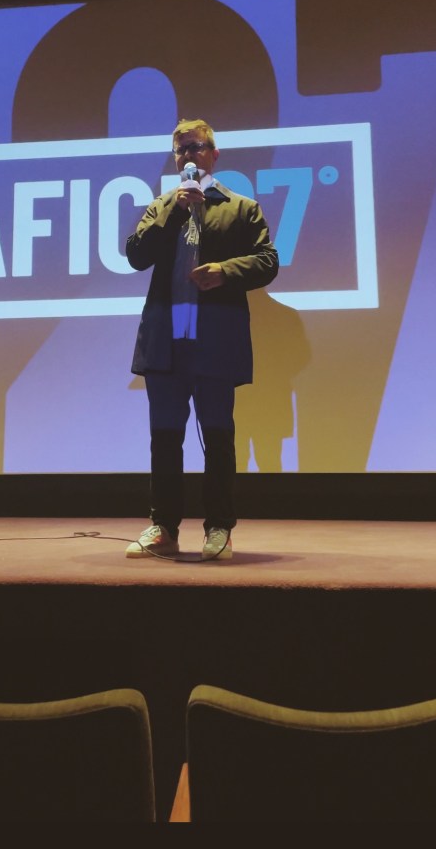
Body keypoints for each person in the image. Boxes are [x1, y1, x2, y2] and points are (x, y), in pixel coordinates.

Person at [125, 118, 279, 560]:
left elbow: (268, 261)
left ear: (214, 153)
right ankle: (163, 528)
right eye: (181, 150)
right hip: (166, 342)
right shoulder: (161, 207)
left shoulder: (241, 208)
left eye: (196, 147)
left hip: (214, 341)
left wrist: (226, 271)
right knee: (164, 438)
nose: (188, 156)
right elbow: (136, 254)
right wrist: (176, 209)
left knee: (217, 437)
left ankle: (219, 529)